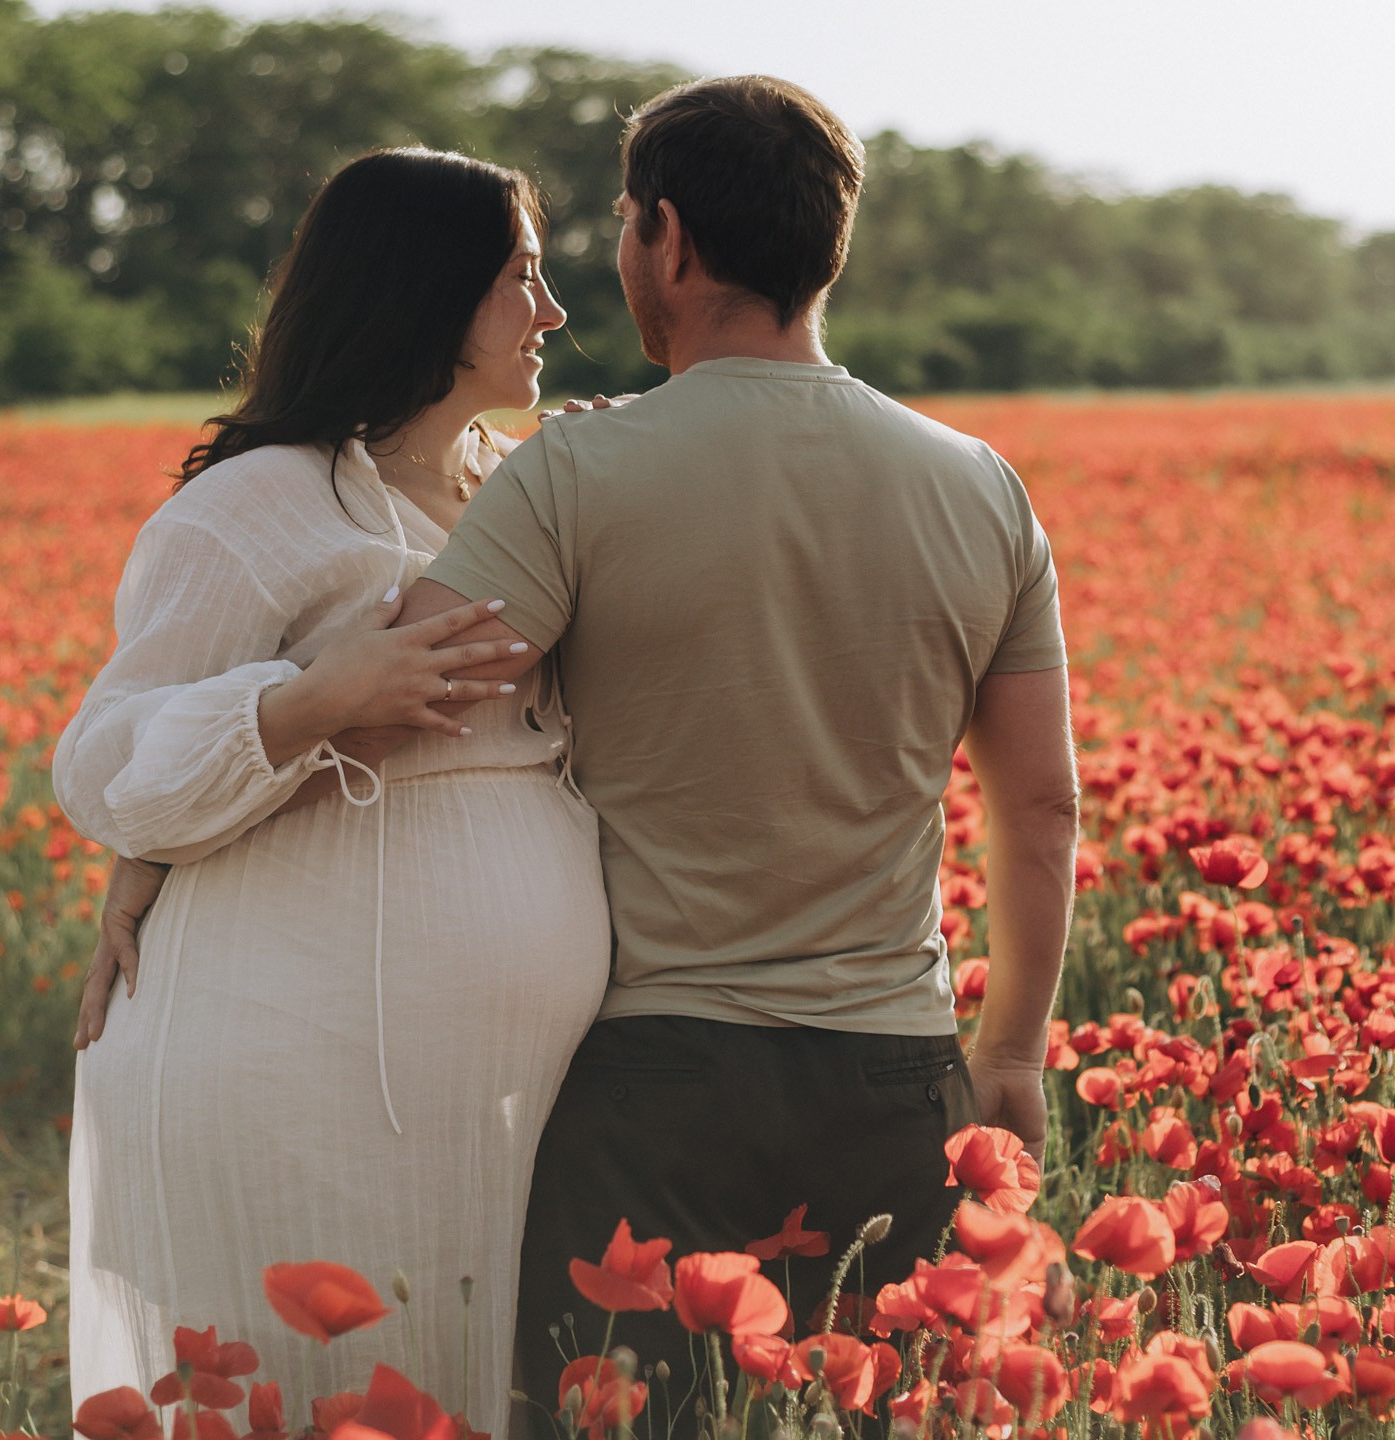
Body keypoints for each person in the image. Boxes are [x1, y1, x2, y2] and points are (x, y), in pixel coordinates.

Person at [393, 76, 1081, 1433]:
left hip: (653, 1068)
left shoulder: (573, 475)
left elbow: (407, 677)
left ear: (668, 235)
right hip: (893, 1060)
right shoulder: (979, 482)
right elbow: (1044, 805)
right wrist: (1009, 1053)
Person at [54, 147, 612, 1435]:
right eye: (525, 276)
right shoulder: (257, 509)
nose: (557, 312)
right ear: (429, 291)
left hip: (510, 1072)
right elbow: (108, 758)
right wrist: (314, 696)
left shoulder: (521, 484)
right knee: (303, 1377)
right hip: (292, 1052)